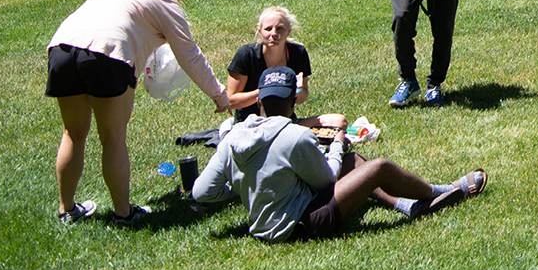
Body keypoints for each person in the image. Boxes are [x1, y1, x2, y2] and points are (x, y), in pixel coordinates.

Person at [193, 65, 486, 242]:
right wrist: (337, 142)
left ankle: (404, 205)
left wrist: (245, 185)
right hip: (301, 224)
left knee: (354, 162)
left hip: (264, 225)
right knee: (378, 167)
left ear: (259, 102)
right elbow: (327, 181)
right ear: (293, 101)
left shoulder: (232, 137)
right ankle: (436, 193)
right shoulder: (294, 135)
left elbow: (202, 191)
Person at [47, 0, 232, 225]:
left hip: (61, 48)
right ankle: (124, 214)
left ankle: (67, 211)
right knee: (113, 138)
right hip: (108, 55)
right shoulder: (166, 2)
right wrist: (218, 94)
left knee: (72, 133)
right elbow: (189, 55)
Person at [223, 6, 342, 128]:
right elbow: (231, 101)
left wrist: (298, 91)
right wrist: (266, 91)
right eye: (268, 29)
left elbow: (301, 98)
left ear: (289, 31)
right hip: (250, 125)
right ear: (260, 31)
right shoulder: (247, 55)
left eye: (279, 28)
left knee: (339, 121)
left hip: (286, 124)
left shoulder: (298, 53)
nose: (273, 33)